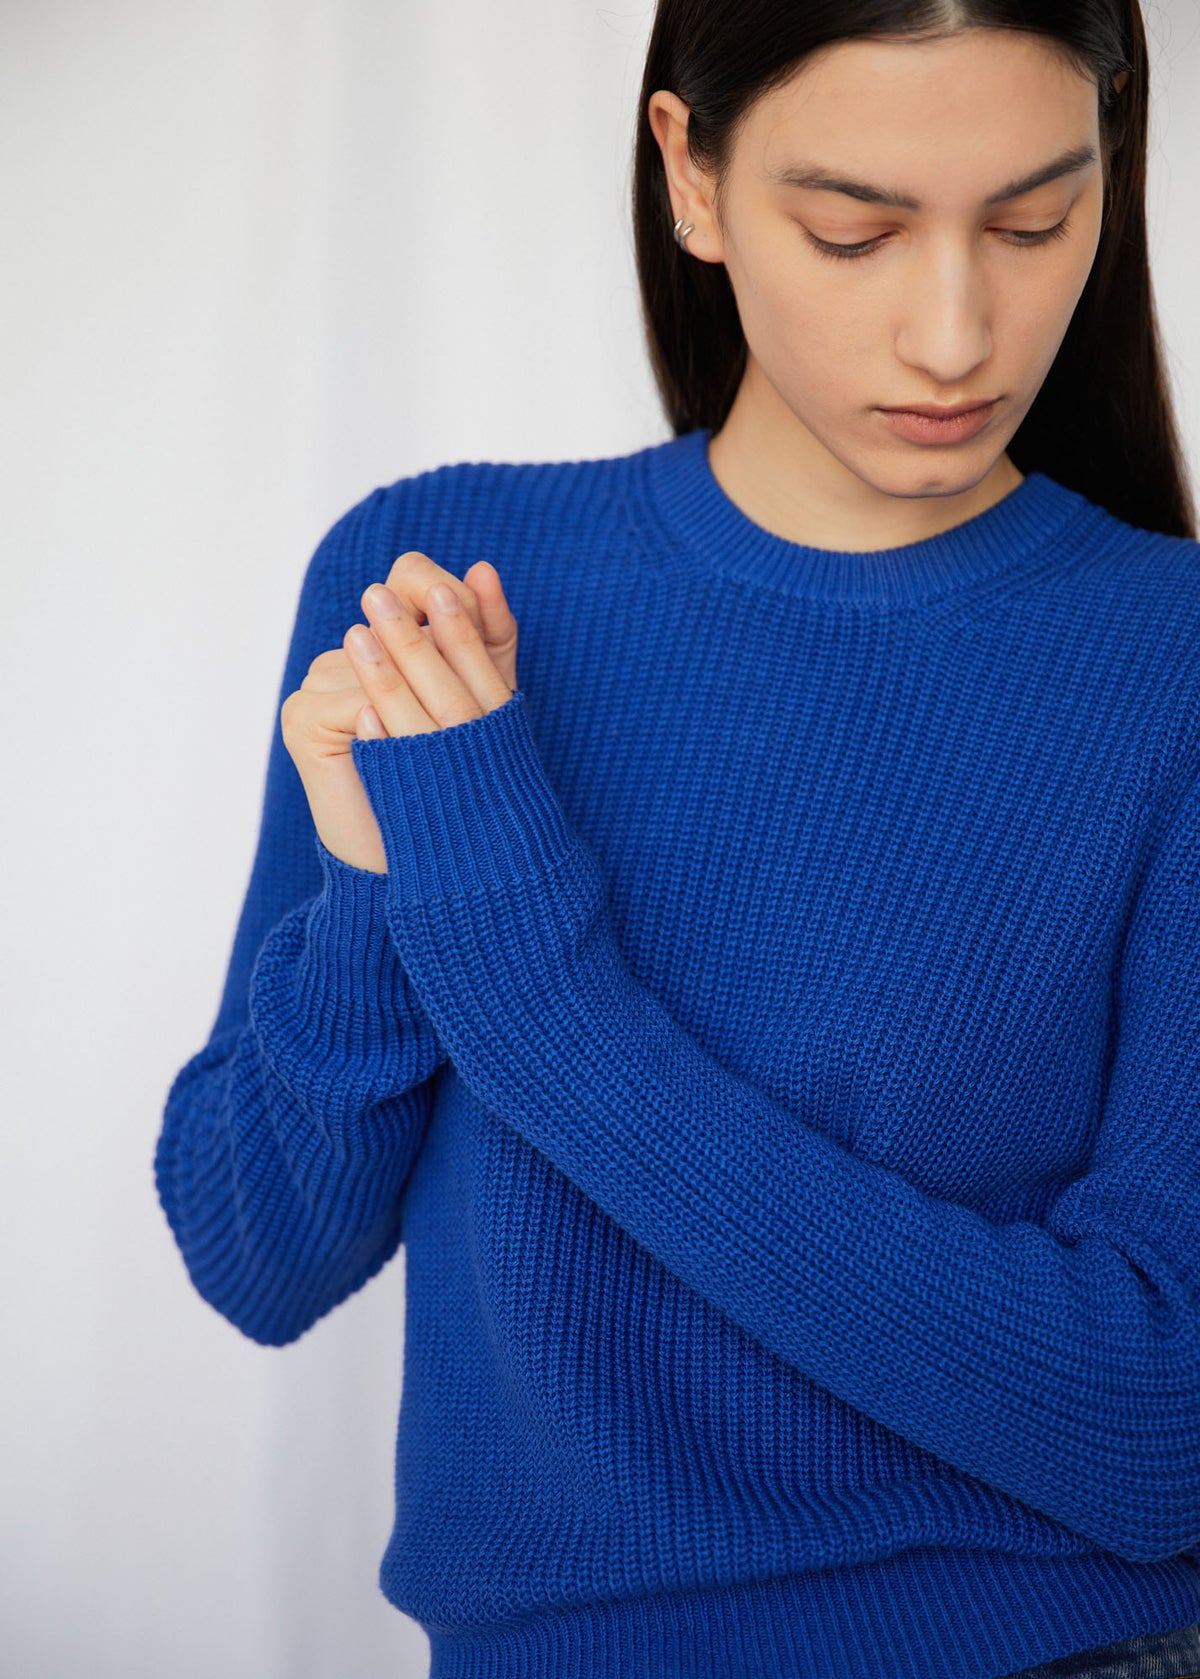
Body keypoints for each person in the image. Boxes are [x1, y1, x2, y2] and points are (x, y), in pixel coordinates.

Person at [153, 0, 1200, 1674]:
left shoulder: (1170, 665)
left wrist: (527, 974)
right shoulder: (437, 584)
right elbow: (257, 1258)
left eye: (1035, 221)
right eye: (852, 230)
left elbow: (1162, 1427)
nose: (956, 332)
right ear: (690, 179)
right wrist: (369, 899)